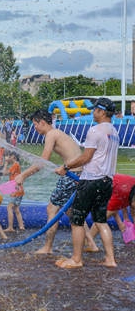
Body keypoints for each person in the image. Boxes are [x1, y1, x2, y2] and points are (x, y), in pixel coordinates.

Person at [14, 110, 97, 254]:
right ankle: (91, 243)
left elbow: (42, 161)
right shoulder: (58, 133)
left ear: (42, 123)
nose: (35, 128)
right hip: (79, 174)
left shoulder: (51, 134)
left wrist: (23, 175)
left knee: (52, 209)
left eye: (35, 125)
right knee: (71, 212)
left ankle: (47, 247)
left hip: (72, 175)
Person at [54, 98, 120, 269]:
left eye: (95, 110)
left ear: (102, 112)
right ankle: (110, 259)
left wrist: (66, 167)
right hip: (107, 181)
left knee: (77, 220)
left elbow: (86, 157)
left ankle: (76, 259)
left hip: (91, 180)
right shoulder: (114, 132)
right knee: (101, 220)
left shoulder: (95, 130)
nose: (93, 112)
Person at [88, 174, 135, 241]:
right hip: (100, 184)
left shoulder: (129, 193)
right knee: (101, 219)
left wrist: (126, 217)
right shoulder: (120, 196)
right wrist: (119, 222)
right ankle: (88, 242)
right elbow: (108, 212)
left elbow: (130, 207)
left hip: (120, 185)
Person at [2, 152, 25, 232]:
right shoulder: (17, 165)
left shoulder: (15, 165)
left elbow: (4, 172)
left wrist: (6, 163)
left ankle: (10, 227)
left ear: (13, 157)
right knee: (16, 209)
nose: (7, 157)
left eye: (9, 156)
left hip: (15, 190)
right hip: (19, 189)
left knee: (9, 207)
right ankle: (21, 226)